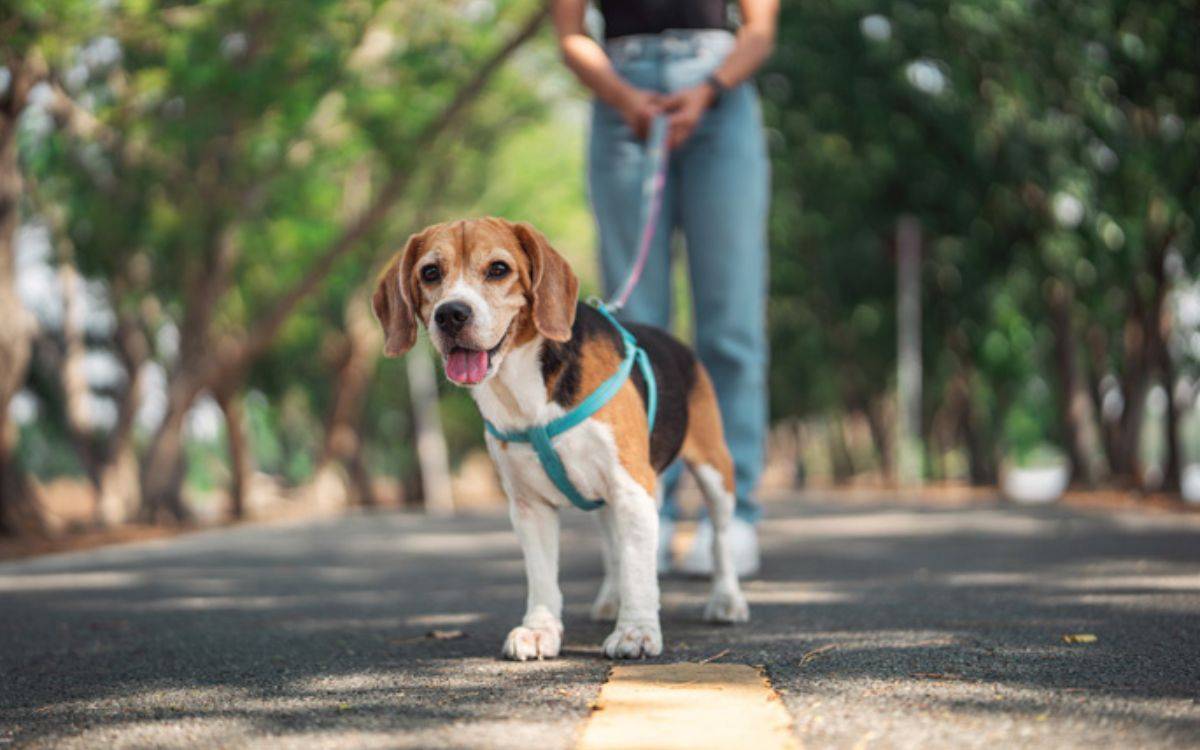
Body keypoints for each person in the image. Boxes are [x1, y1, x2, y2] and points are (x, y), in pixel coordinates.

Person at [553, 0, 777, 576]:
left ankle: (734, 516)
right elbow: (571, 34)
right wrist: (626, 98)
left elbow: (759, 31)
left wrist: (707, 90)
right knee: (633, 330)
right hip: (620, 99)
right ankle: (644, 508)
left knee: (730, 324)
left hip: (721, 99)